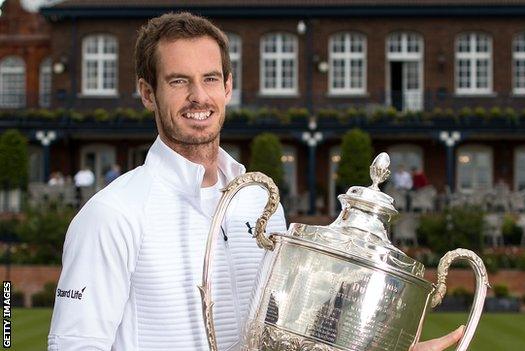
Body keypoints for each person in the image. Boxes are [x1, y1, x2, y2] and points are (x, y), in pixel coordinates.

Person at [48, 12, 462, 351]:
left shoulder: (258, 202)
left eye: (210, 79)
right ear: (147, 93)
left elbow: (281, 338)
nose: (199, 96)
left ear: (228, 87)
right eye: (178, 81)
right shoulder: (111, 214)